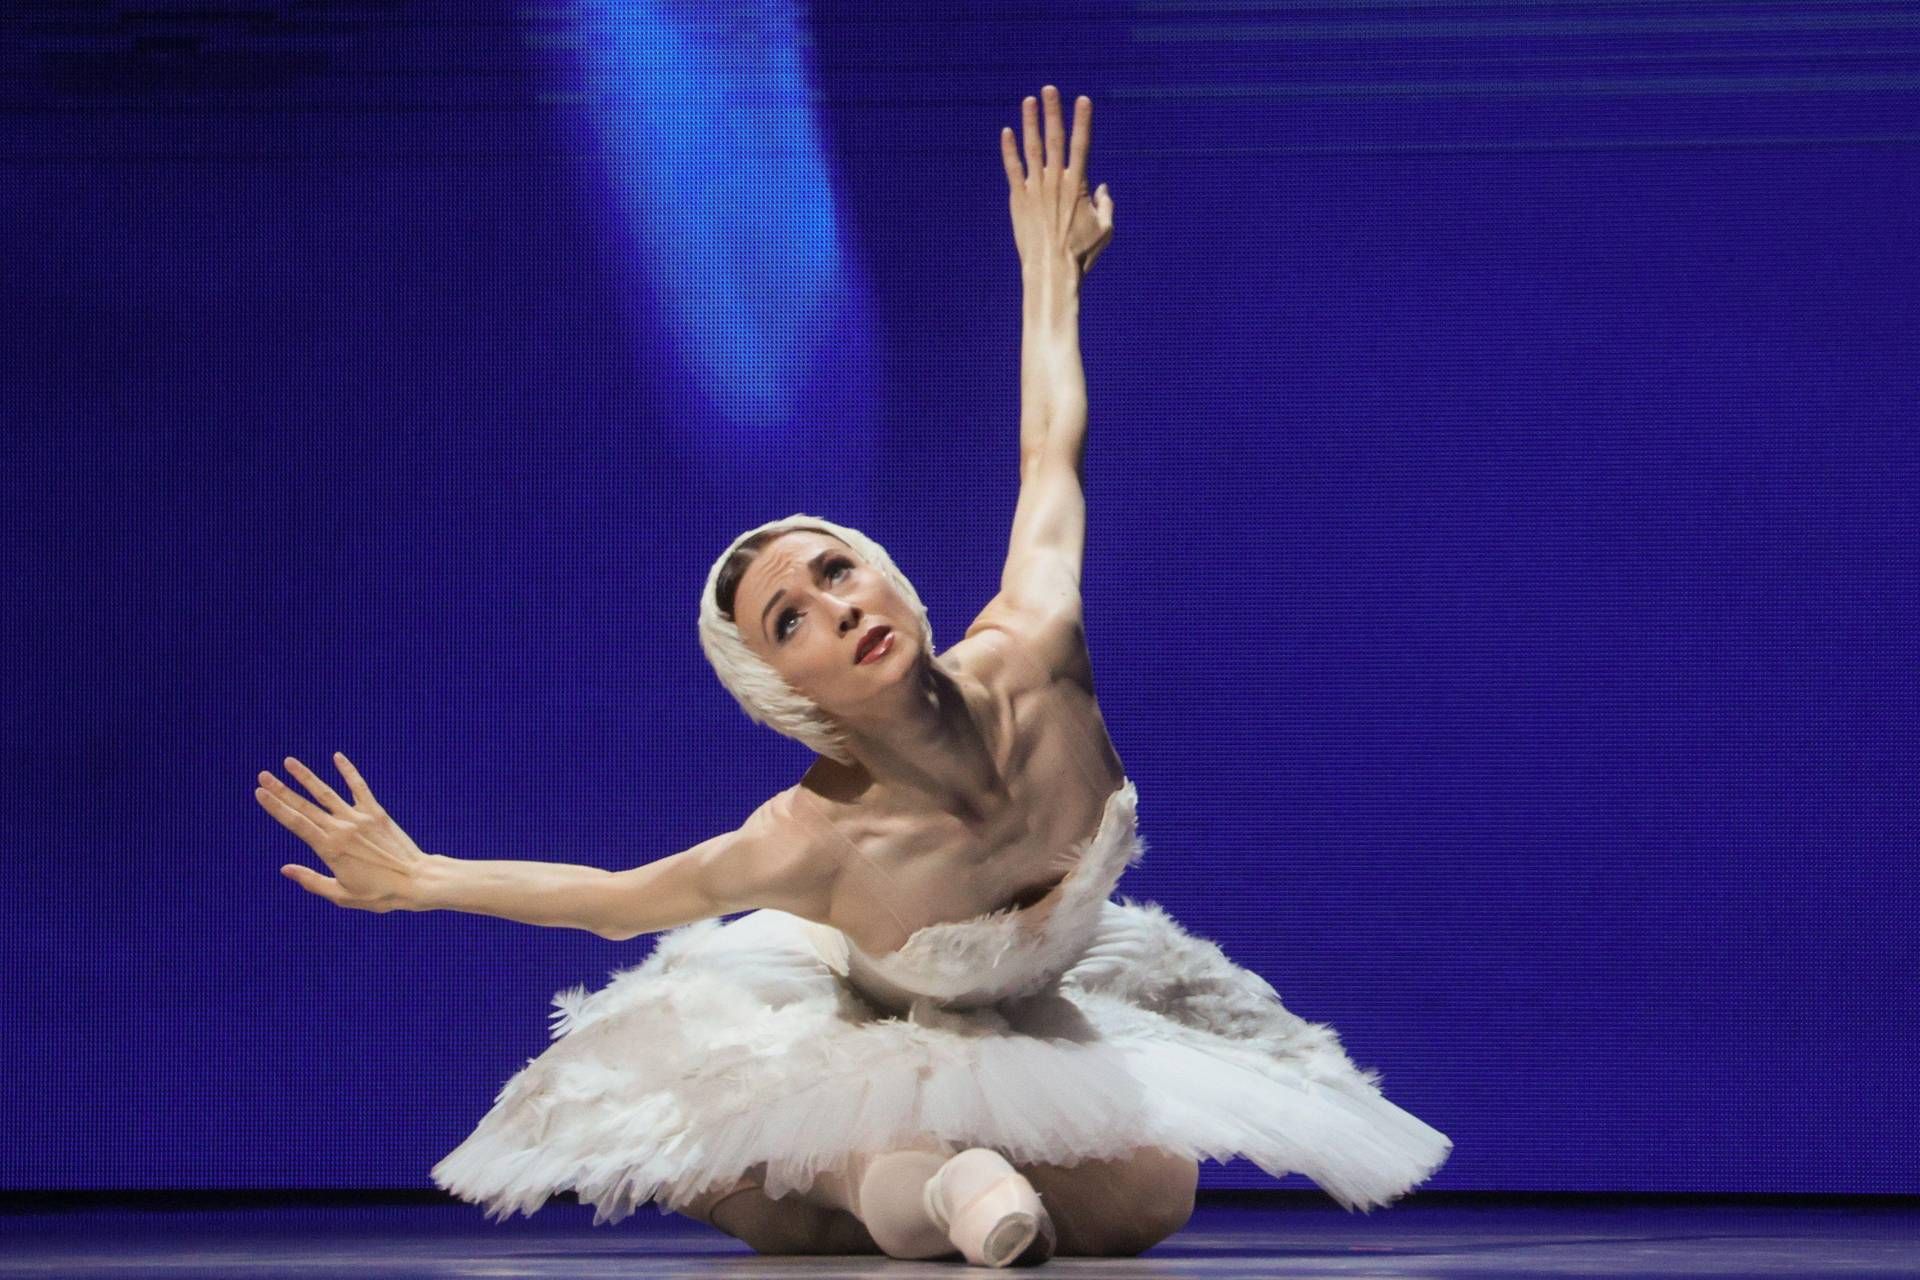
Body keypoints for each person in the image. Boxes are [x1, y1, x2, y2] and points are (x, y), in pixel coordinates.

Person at [257, 86, 1452, 1266]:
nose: (837, 607)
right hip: (844, 1009)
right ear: (791, 691)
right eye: (794, 620)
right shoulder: (809, 840)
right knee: (825, 1184)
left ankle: (946, 1183)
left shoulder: (1037, 648)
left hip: (1018, 1008)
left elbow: (1051, 449)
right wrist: (421, 877)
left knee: (1149, 1199)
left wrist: (1049, 273)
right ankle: (939, 1188)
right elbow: (620, 898)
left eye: (839, 571)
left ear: (891, 580)